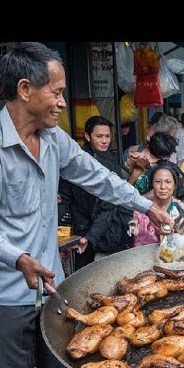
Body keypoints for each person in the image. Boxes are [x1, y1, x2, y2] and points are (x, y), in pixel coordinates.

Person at [0, 42, 173, 368]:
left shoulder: (54, 139)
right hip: (6, 293)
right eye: (56, 92)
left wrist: (144, 205)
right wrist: (19, 258)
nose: (61, 102)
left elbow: (98, 177)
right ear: (25, 89)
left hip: (51, 284)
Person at [57, 115, 125, 269]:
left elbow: (111, 206)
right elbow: (65, 198)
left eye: (107, 136)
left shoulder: (112, 164)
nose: (104, 141)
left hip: (108, 231)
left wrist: (91, 236)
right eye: (99, 136)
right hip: (81, 230)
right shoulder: (75, 163)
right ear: (87, 136)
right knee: (82, 277)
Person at [130, 161, 184, 247]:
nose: (163, 187)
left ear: (174, 185)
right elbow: (134, 243)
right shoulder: (139, 213)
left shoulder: (183, 212)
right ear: (152, 185)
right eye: (158, 181)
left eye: (168, 182)